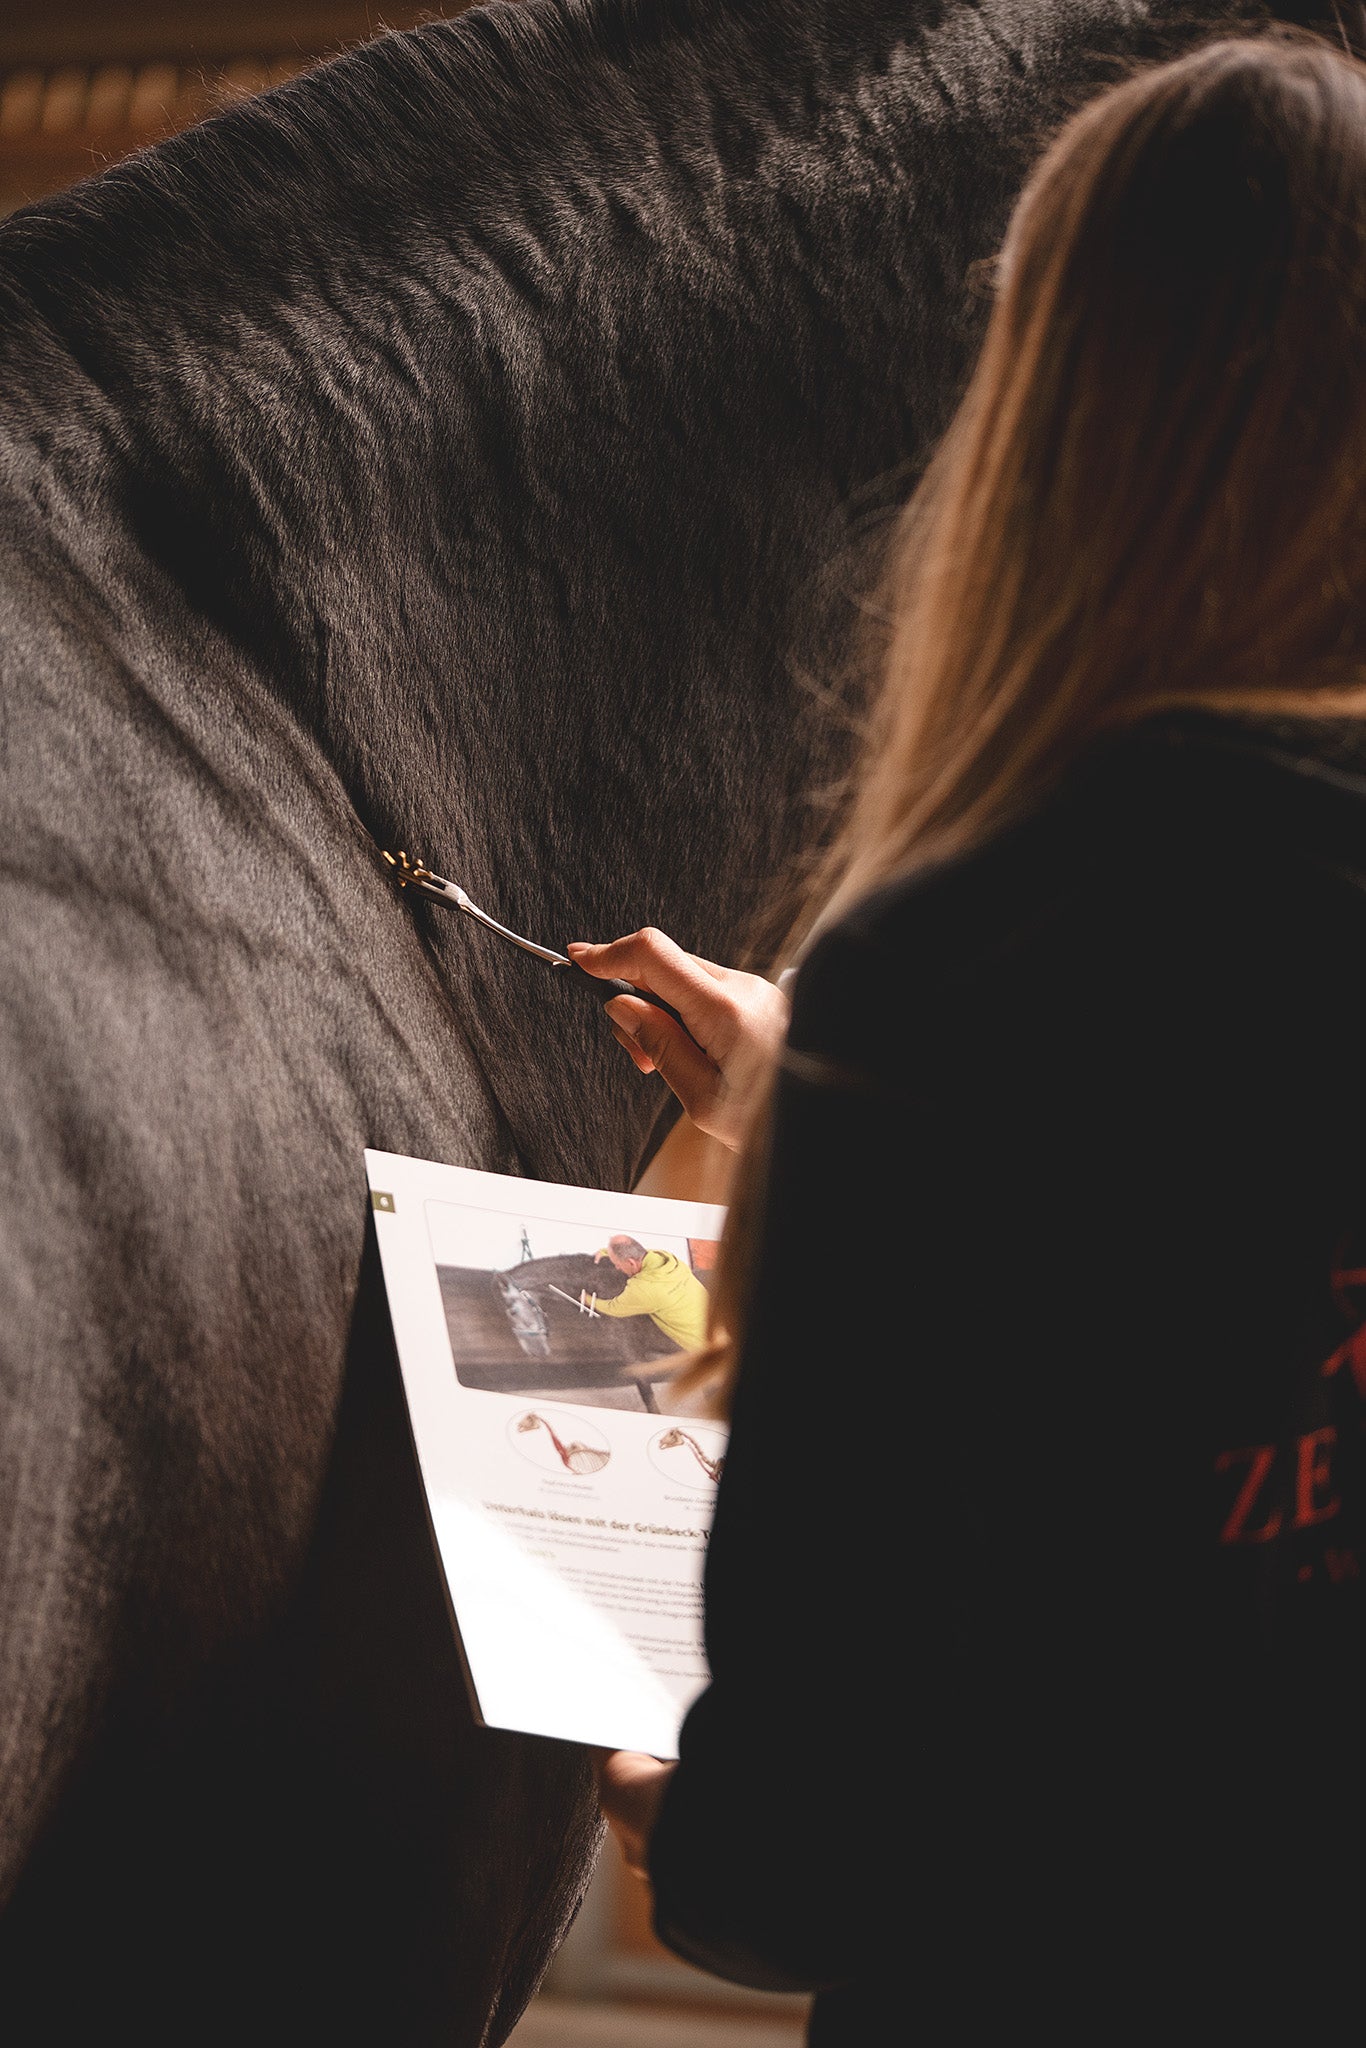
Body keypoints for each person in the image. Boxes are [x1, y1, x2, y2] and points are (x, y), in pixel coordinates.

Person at [565, 32, 1366, 2040]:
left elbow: (797, 1859)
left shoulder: (958, 982)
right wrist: (816, 1114)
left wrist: (691, 1832)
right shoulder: (923, 1025)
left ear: (1047, 436)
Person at [581, 1233, 710, 1351]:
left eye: (618, 1264)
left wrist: (587, 1299)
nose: (617, 1267)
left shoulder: (645, 1289)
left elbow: (614, 1308)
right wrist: (607, 1252)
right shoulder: (666, 1258)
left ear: (631, 1262)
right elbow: (635, 1251)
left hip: (706, 1346)